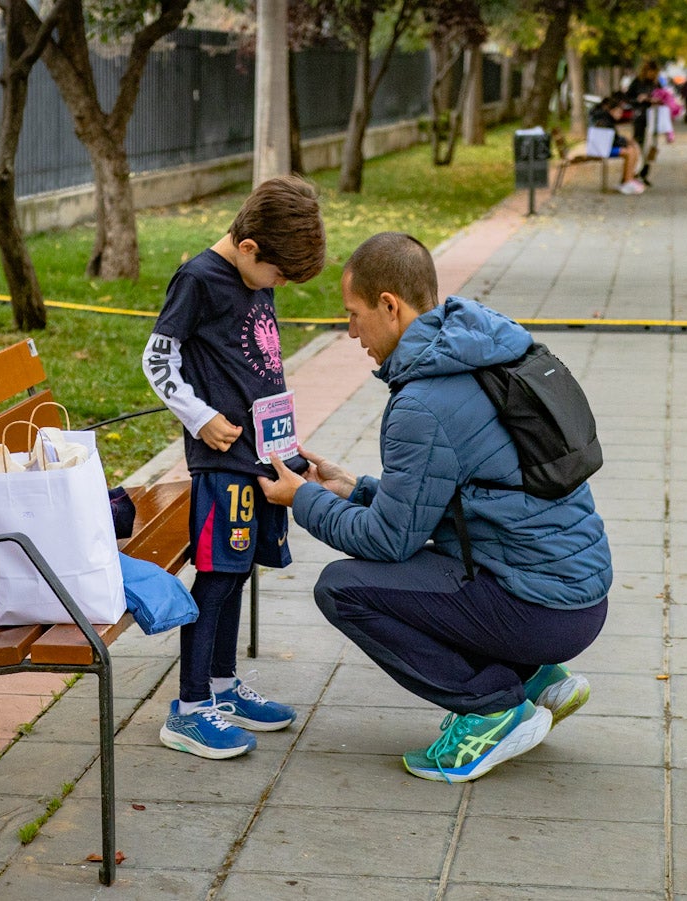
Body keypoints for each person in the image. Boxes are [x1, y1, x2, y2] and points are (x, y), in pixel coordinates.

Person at [258, 232, 612, 784]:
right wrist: (353, 488)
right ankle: (539, 679)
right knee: (425, 574)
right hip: (576, 598)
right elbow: (454, 499)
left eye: (354, 315)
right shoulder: (481, 350)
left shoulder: (422, 401)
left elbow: (390, 542)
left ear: (390, 306)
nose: (351, 332)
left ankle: (493, 709)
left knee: (342, 588)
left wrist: (301, 499)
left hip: (539, 607)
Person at [143, 175, 326, 759]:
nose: (279, 285)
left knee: (240, 570)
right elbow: (157, 357)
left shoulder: (254, 274)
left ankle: (222, 688)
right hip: (223, 461)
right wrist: (199, 417)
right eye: (278, 274)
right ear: (250, 249)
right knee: (218, 577)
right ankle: (190, 709)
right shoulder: (199, 278)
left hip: (262, 457)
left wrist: (288, 446)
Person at [589, 93, 645, 194]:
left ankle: (628, 179)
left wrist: (625, 141)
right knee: (630, 152)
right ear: (611, 110)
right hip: (601, 149)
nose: (620, 115)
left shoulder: (603, 118)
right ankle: (627, 181)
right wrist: (624, 142)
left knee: (631, 149)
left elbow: (612, 138)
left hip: (602, 147)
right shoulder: (604, 120)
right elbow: (611, 140)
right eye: (619, 112)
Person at [624, 59, 661, 184]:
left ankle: (645, 172)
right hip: (640, 116)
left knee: (651, 146)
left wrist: (657, 100)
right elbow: (627, 98)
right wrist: (639, 99)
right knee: (639, 143)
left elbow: (664, 97)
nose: (653, 75)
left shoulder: (656, 84)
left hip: (653, 117)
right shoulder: (637, 82)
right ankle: (634, 171)